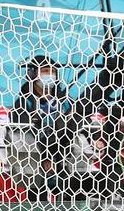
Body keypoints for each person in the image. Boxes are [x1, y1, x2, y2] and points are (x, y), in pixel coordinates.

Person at [9, 55, 75, 201]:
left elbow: (79, 120)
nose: (49, 75)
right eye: (45, 71)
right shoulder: (24, 102)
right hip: (35, 158)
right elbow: (25, 133)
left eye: (52, 71)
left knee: (71, 192)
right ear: (33, 74)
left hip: (63, 155)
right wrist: (45, 157)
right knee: (37, 195)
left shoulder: (64, 100)